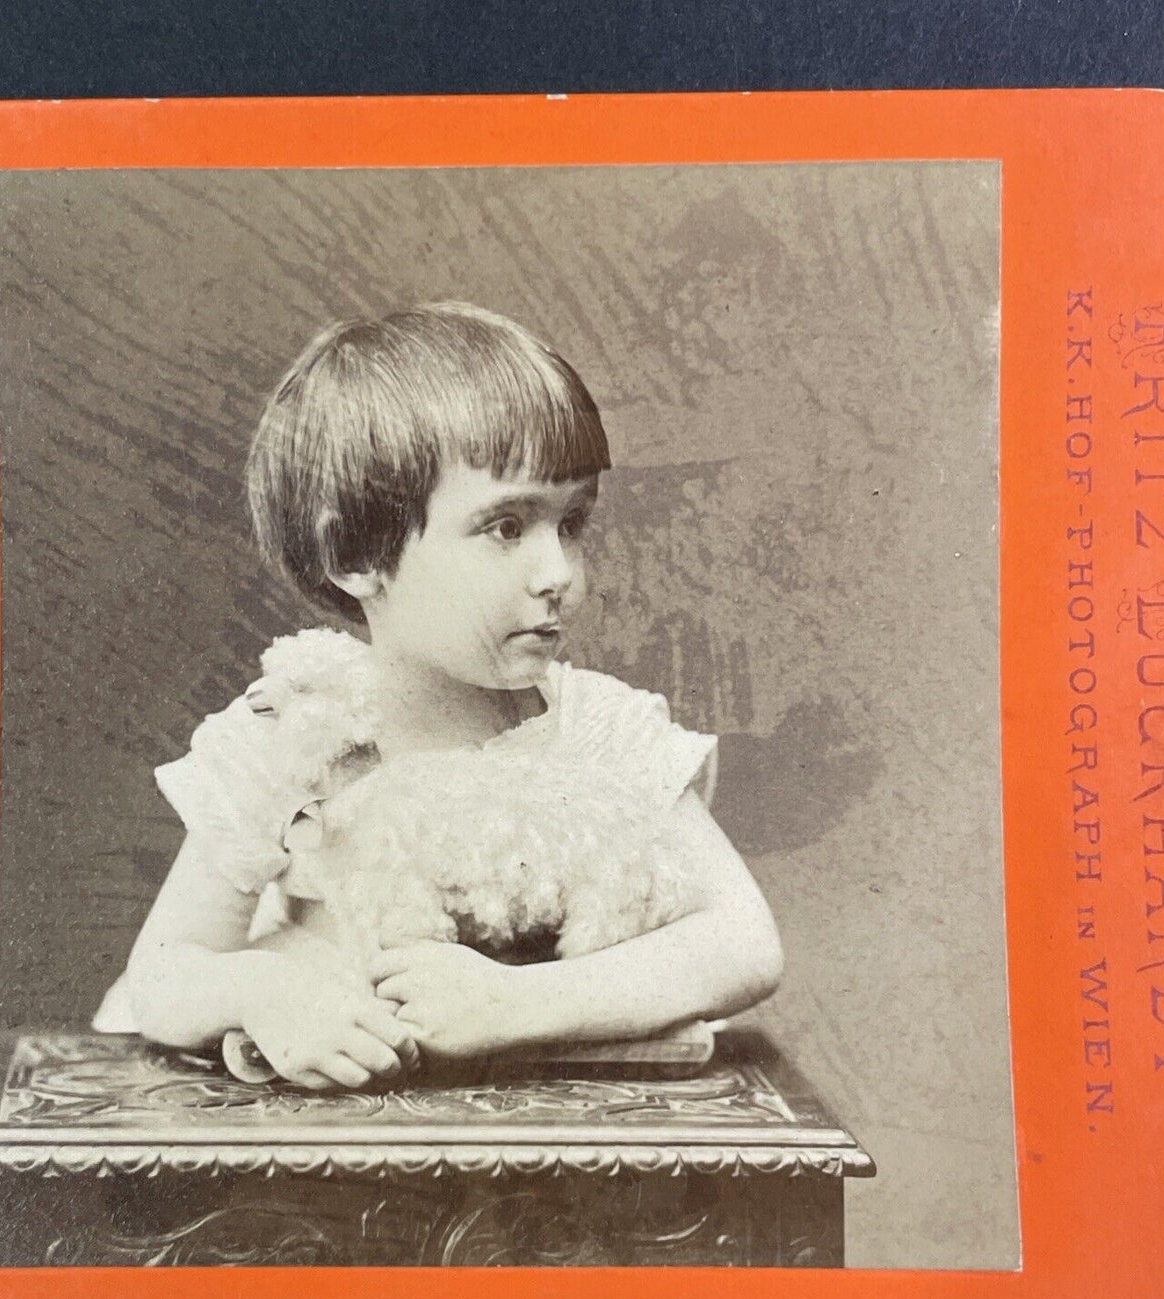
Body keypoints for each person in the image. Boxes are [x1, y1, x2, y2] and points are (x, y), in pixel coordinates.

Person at [93, 302, 782, 1089]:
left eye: (572, 522)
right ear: (355, 553)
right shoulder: (294, 736)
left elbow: (744, 944)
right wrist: (263, 989)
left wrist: (516, 1003)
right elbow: (161, 973)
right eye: (505, 527)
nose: (557, 571)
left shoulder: (598, 732)